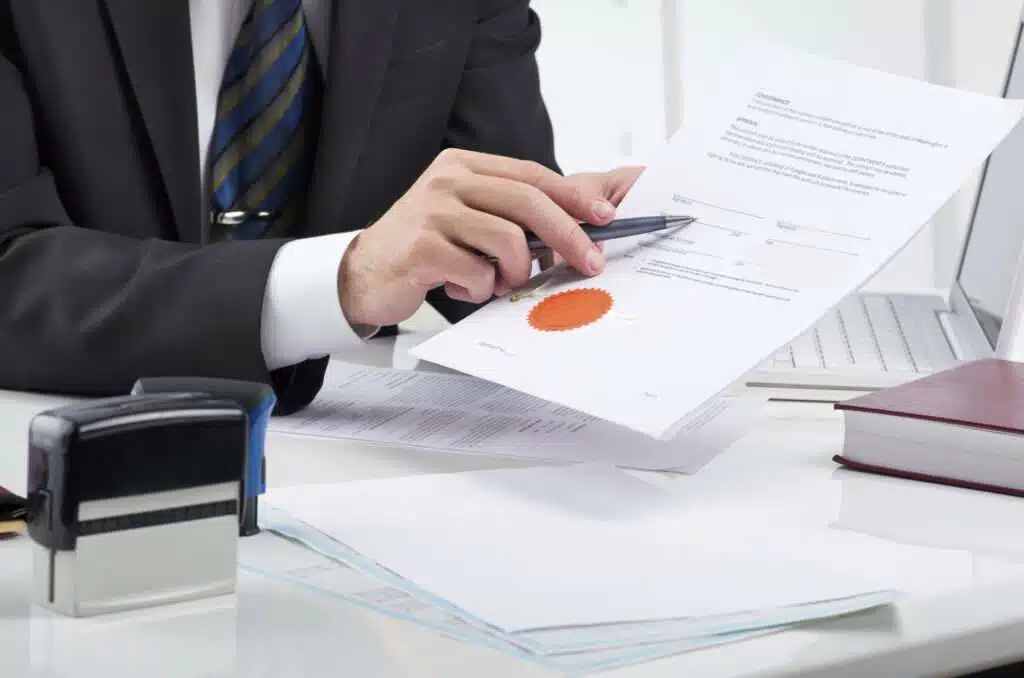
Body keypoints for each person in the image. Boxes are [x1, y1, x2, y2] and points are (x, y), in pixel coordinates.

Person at [0, 0, 642, 414]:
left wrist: (586, 238)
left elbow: (482, 251)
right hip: (70, 466)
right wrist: (344, 281)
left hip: (362, 484)